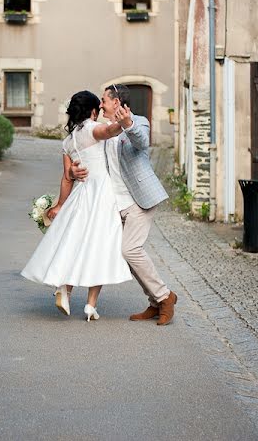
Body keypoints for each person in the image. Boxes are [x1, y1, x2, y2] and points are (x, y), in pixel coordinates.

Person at [69, 84, 177, 326]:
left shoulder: (139, 122)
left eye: (104, 100)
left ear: (116, 102)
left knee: (130, 250)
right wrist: (74, 170)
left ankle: (165, 297)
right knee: (123, 254)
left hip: (138, 199)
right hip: (112, 204)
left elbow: (141, 141)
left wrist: (128, 124)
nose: (100, 105)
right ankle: (155, 302)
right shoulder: (103, 130)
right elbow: (87, 157)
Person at [20, 90, 132, 321]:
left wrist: (60, 205)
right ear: (92, 111)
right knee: (100, 247)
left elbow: (66, 177)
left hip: (81, 195)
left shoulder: (68, 141)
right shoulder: (92, 129)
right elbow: (108, 130)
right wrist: (122, 122)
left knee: (75, 242)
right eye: (97, 109)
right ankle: (91, 305)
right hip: (102, 194)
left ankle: (65, 289)